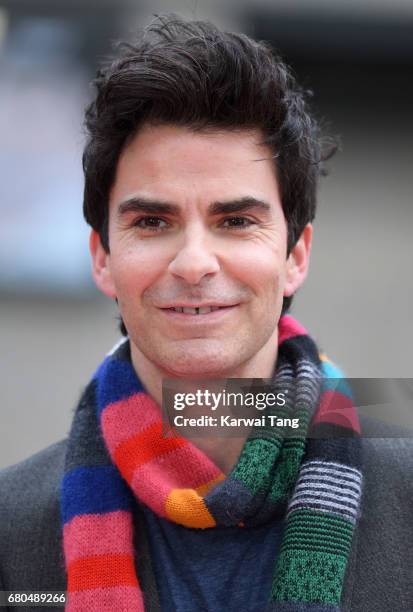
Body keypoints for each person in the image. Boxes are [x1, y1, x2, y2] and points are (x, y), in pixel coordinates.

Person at [0, 14, 411, 612]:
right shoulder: (11, 533)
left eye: (236, 221)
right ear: (103, 259)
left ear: (295, 255)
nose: (194, 262)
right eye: (152, 222)